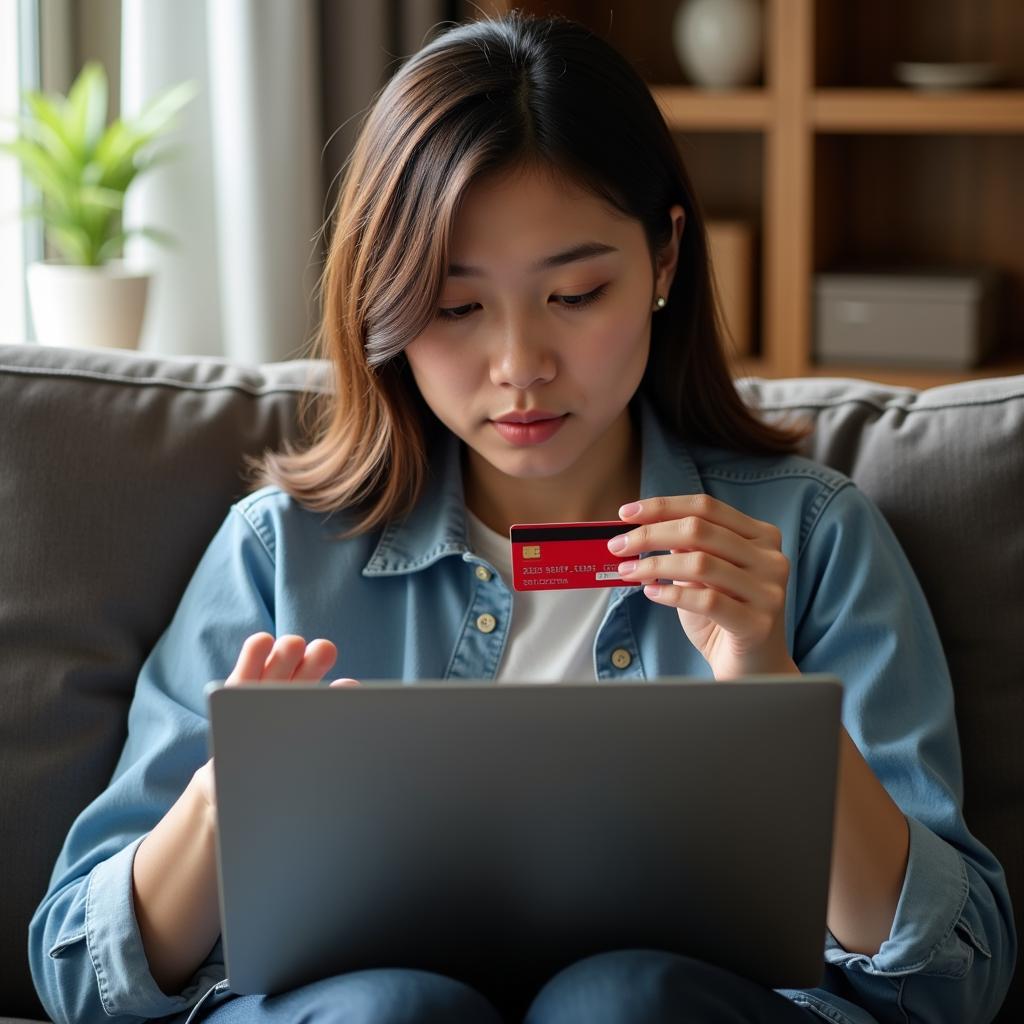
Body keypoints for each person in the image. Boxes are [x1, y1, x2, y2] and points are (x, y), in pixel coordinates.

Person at [29, 10, 1015, 1024]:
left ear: (666, 261)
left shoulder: (808, 542)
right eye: (457, 309)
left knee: (623, 1000)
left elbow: (952, 973)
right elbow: (77, 969)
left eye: (576, 294)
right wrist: (221, 805)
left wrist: (770, 689)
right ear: (386, 301)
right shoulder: (282, 551)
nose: (520, 367)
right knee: (390, 1011)